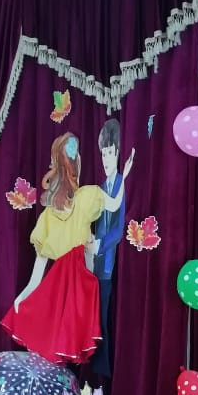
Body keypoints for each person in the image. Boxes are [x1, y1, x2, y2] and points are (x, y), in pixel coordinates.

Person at [0, 131, 133, 364]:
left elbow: (36, 276)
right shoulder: (88, 196)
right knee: (77, 331)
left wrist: (21, 298)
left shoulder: (47, 217)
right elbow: (114, 205)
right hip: (79, 281)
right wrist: (125, 176)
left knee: (56, 340)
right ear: (76, 165)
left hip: (59, 286)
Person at [90, 118, 126, 376]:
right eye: (103, 153)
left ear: (118, 153)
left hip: (108, 264)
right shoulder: (101, 188)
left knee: (103, 317)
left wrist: (100, 246)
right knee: (93, 317)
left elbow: (119, 228)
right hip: (93, 264)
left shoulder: (122, 183)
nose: (106, 159)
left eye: (110, 153)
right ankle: (94, 366)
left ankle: (103, 370)